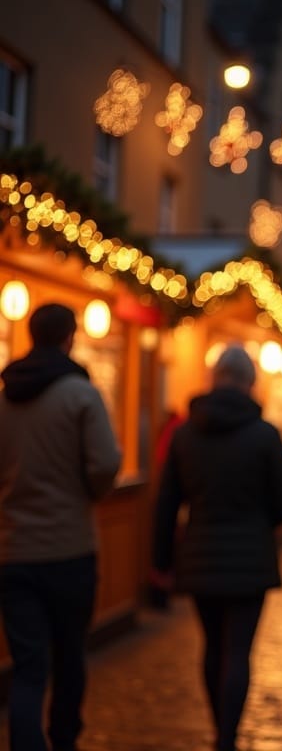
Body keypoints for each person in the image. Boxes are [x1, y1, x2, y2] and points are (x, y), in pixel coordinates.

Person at [152, 345, 282, 751]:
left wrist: (161, 562)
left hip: (200, 554)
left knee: (212, 645)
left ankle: (219, 726)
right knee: (238, 650)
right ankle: (227, 737)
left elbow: (166, 504)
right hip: (250, 557)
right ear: (250, 383)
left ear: (213, 379)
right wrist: (259, 523)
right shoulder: (264, 435)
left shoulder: (185, 433)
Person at [0, 302, 122, 751]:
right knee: (70, 658)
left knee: (29, 668)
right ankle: (64, 740)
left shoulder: (5, 397)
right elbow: (105, 464)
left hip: (13, 551)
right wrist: (88, 491)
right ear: (70, 337)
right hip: (70, 549)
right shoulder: (81, 394)